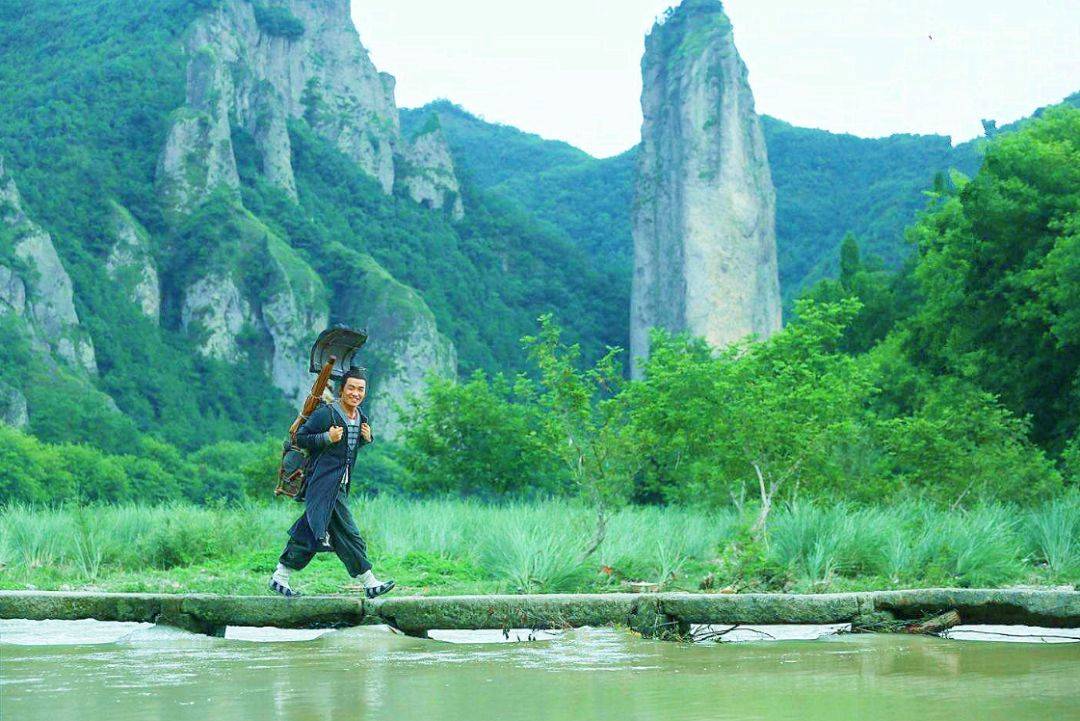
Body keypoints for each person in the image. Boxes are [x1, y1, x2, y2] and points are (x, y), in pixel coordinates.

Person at [269, 367, 395, 599]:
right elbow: (300, 438)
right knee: (349, 533)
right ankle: (369, 582)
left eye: (360, 389)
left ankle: (280, 576)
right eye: (351, 388)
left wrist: (367, 439)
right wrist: (326, 437)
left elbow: (348, 448)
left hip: (340, 484)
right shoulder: (326, 414)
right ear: (341, 390)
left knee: (309, 530)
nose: (356, 393)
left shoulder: (360, 417)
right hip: (323, 484)